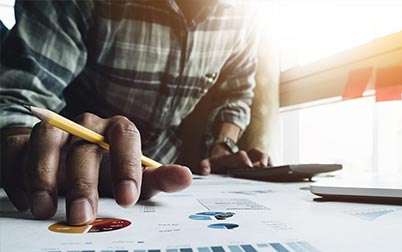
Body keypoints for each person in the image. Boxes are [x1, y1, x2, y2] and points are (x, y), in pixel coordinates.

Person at [0, 0, 272, 226]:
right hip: (70, 169)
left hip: (161, 175)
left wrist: (222, 147)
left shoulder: (245, 15)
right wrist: (24, 148)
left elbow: (236, 93)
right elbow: (20, 95)